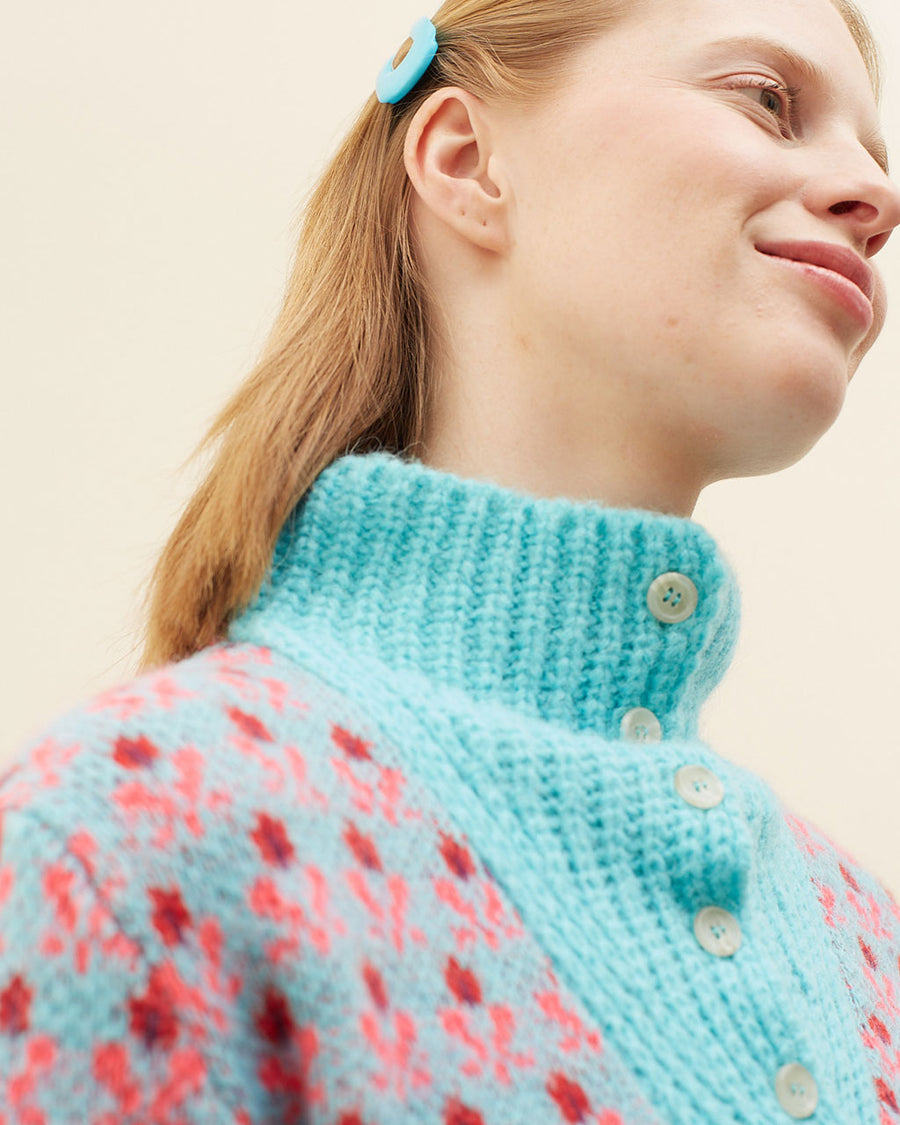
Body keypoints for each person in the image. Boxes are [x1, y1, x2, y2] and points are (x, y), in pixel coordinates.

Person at [2, 0, 899, 1119]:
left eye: (876, 154)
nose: (880, 201)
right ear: (465, 160)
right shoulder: (135, 832)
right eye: (768, 100)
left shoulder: (869, 946)